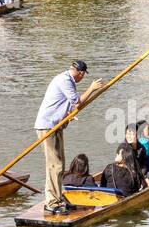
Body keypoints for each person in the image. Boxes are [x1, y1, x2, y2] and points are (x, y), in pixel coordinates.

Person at [34, 60, 104, 215]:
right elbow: (77, 102)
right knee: (54, 165)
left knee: (59, 164)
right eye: (84, 76)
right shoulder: (65, 80)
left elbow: (64, 104)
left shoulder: (67, 80)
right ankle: (51, 202)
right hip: (48, 127)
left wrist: (66, 116)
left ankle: (58, 198)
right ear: (80, 73)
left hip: (55, 125)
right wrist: (91, 89)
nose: (83, 79)